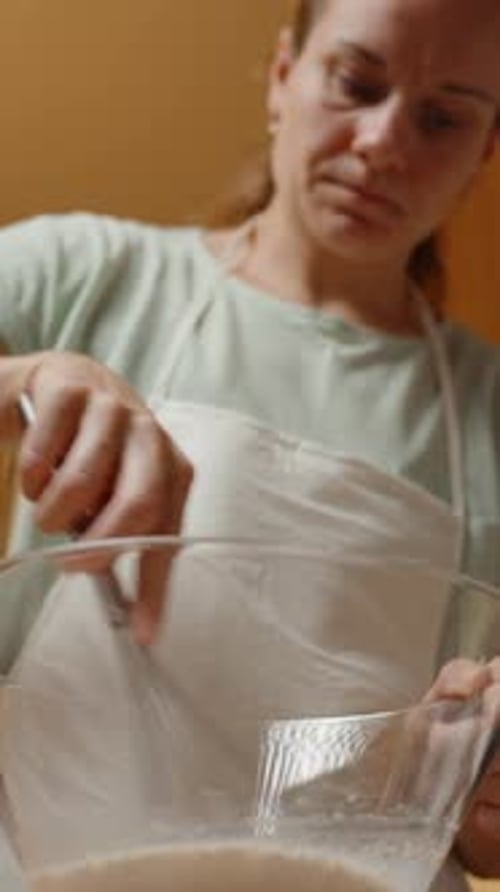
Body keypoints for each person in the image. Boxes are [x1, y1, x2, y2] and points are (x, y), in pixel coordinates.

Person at [0, 0, 498, 886]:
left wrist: (478, 790)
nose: (384, 142)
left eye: (445, 117)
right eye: (356, 83)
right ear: (282, 77)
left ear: (486, 152)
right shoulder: (86, 276)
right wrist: (23, 378)